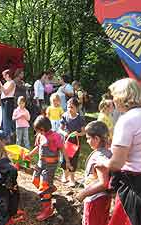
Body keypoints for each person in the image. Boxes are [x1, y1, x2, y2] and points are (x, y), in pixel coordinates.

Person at [96, 78, 141, 225]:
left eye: (114, 95)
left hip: (134, 186)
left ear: (123, 96)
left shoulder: (127, 120)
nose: (113, 100)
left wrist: (102, 161)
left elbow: (117, 164)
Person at [26, 116, 71, 221]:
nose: (38, 133)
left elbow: (63, 149)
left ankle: (47, 210)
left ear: (42, 128)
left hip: (50, 165)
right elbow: (38, 147)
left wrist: (67, 162)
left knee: (43, 186)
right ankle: (49, 188)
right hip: (40, 163)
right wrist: (30, 155)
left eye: (38, 130)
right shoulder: (40, 136)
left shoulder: (55, 137)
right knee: (35, 180)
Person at [76, 121, 112, 225]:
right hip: (103, 200)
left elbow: (103, 183)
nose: (87, 141)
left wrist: (83, 193)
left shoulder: (100, 156)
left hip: (95, 200)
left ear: (96, 138)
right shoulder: (108, 152)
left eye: (88, 138)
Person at [60, 97, 85, 187]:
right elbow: (60, 129)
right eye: (68, 107)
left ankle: (72, 179)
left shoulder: (80, 119)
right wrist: (64, 133)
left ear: (77, 108)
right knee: (64, 159)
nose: (69, 109)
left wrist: (77, 134)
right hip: (66, 142)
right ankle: (65, 175)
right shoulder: (65, 116)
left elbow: (84, 132)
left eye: (72, 107)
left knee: (73, 160)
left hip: (75, 143)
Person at [0, 69, 16, 139]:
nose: (3, 77)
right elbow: (2, 92)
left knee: (7, 118)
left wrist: (0, 85)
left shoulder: (12, 82)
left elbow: (6, 92)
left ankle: (8, 135)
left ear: (8, 75)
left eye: (4, 75)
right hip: (3, 100)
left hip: (8, 101)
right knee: (3, 118)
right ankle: (6, 134)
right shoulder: (6, 83)